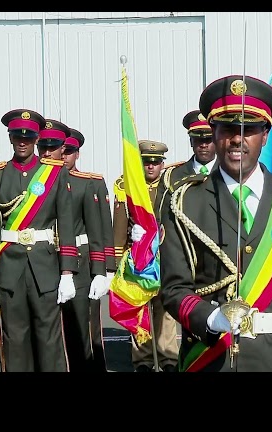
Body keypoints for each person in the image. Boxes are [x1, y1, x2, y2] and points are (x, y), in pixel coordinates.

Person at [160, 74, 272, 372]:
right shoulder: (183, 201)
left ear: (265, 135)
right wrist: (210, 319)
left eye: (248, 129)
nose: (237, 138)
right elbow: (174, 289)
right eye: (227, 127)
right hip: (211, 357)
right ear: (213, 132)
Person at [0, 109, 78, 372]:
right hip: (9, 269)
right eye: (16, 136)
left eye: (28, 137)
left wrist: (67, 270)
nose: (22, 142)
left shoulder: (54, 174)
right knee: (15, 338)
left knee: (49, 339)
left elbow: (65, 221)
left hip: (44, 268)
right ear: (10, 138)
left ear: (36, 139)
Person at [113, 140, 180, 372]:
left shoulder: (171, 186)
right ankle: (142, 359)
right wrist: (117, 256)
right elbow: (120, 223)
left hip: (165, 256)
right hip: (137, 256)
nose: (150, 167)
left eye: (155, 162)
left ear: (162, 164)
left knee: (166, 310)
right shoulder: (127, 185)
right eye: (146, 162)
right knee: (138, 307)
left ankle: (168, 357)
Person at [62, 128, 116, 372]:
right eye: (58, 150)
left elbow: (103, 228)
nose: (63, 156)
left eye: (69, 151)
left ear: (77, 153)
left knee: (88, 328)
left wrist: (106, 268)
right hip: (49, 260)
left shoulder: (91, 182)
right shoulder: (40, 183)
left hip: (83, 261)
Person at [157, 109, 217, 220]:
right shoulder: (171, 177)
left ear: (217, 141)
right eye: (198, 140)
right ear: (191, 142)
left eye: (208, 140)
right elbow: (162, 218)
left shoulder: (230, 173)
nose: (203, 145)